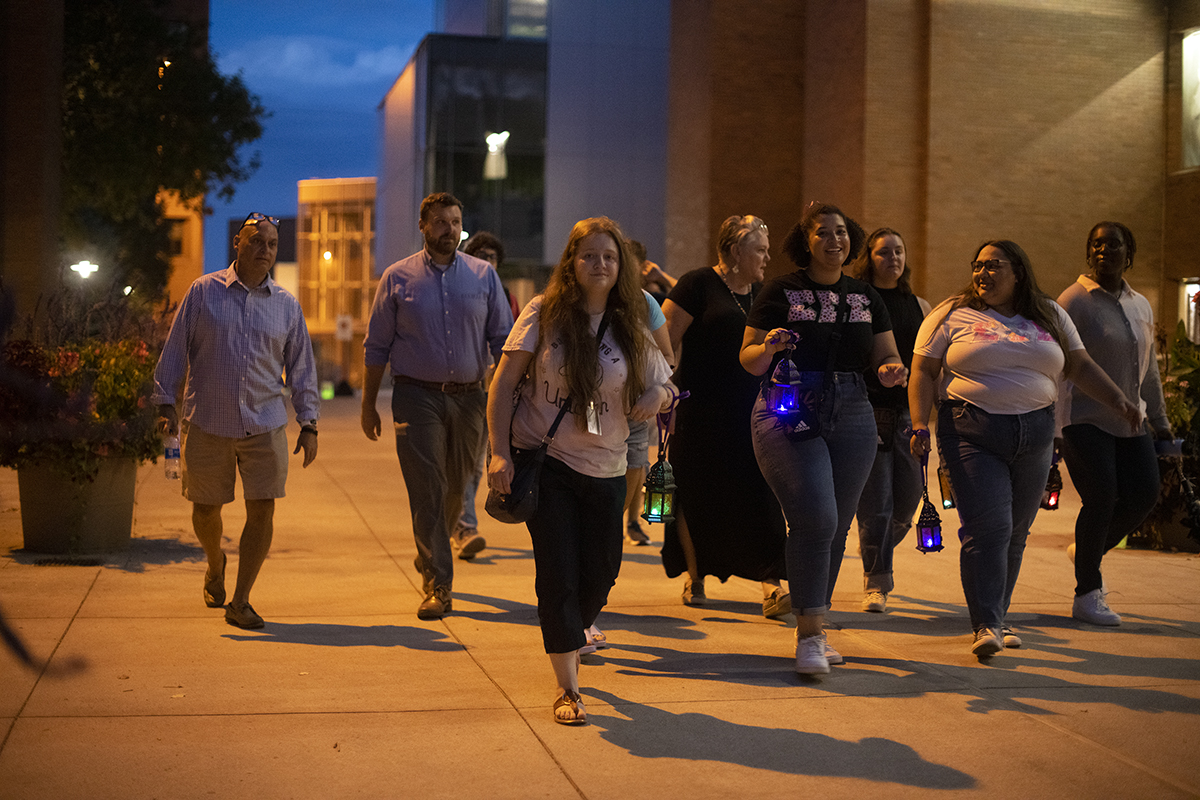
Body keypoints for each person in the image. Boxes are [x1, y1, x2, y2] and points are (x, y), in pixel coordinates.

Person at [909, 239, 1142, 658]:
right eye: (977, 266)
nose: (983, 274)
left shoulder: (1050, 314)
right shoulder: (951, 313)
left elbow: (1080, 365)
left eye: (994, 266)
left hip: (1036, 432)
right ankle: (985, 624)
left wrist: (1120, 401)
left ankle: (997, 615)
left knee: (1016, 533)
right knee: (989, 529)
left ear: (1018, 271)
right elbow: (924, 369)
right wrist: (917, 423)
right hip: (971, 430)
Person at [487, 217, 674, 725]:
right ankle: (568, 688)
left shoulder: (632, 323)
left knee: (602, 573)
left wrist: (658, 394)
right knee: (558, 576)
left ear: (622, 267)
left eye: (609, 257)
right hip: (547, 463)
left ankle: (573, 629)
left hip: (608, 467)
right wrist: (498, 452)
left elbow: (669, 381)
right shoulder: (543, 313)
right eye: (588, 255)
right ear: (571, 262)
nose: (599, 264)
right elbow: (503, 385)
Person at [740, 202, 908, 675]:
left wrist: (892, 370)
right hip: (788, 405)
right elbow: (749, 358)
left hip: (854, 408)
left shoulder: (865, 296)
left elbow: (886, 355)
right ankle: (810, 637)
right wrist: (768, 346)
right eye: (823, 233)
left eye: (841, 233)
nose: (835, 241)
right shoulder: (781, 290)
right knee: (817, 517)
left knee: (836, 524)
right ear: (806, 242)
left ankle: (816, 620)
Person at [152, 212, 319, 630]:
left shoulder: (286, 305)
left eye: (272, 244)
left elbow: (301, 368)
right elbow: (175, 349)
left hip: (265, 424)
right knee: (206, 511)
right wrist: (164, 401)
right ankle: (215, 562)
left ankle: (241, 600)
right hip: (208, 422)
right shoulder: (204, 292)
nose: (265, 250)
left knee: (262, 509)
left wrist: (310, 422)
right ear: (237, 245)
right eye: (256, 241)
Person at [361, 193, 514, 620]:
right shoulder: (397, 278)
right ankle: (438, 584)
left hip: (469, 399)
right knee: (428, 487)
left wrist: (512, 399)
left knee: (458, 485)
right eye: (442, 222)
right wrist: (368, 404)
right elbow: (376, 346)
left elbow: (504, 342)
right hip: (416, 395)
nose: (450, 229)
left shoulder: (484, 277)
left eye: (456, 221)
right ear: (423, 226)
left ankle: (432, 551)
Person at [661, 214, 789, 616]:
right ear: (735, 251)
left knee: (762, 495)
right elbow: (662, 341)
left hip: (753, 412)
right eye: (760, 250)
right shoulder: (698, 284)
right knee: (696, 495)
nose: (767, 258)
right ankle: (695, 577)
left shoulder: (764, 294)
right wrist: (664, 395)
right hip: (698, 411)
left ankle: (771, 584)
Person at [1057, 222, 1172, 627]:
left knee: (1143, 494)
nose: (1105, 250)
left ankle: (1089, 548)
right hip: (1085, 419)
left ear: (1130, 252)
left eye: (1114, 243)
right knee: (1102, 497)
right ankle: (1087, 593)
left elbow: (1149, 369)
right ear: (1089, 253)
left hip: (1133, 419)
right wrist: (1052, 425)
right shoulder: (1073, 301)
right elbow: (1060, 364)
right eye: (1097, 244)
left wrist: (1160, 420)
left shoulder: (1140, 303)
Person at [852, 228, 932, 613]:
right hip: (868, 411)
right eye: (884, 253)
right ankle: (876, 580)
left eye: (899, 251)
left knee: (907, 503)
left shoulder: (919, 305)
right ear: (870, 258)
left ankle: (873, 545)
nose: (894, 259)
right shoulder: (858, 301)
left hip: (906, 415)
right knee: (876, 504)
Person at [453, 231, 518, 559]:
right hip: (464, 387)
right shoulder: (463, 290)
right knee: (461, 464)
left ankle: (460, 523)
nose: (488, 261)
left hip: (492, 391)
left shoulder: (505, 295)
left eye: (493, 256)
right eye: (482, 255)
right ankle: (461, 525)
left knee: (480, 465)